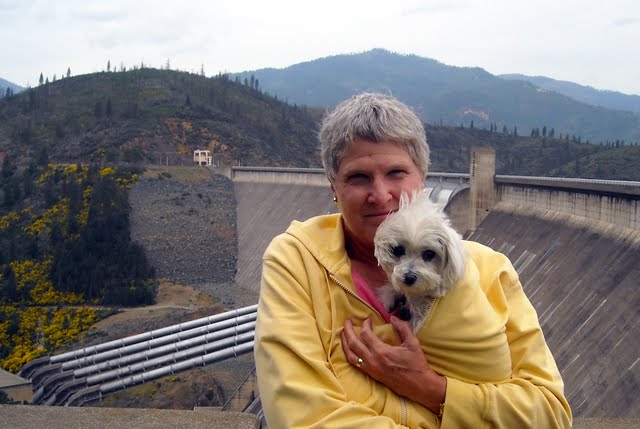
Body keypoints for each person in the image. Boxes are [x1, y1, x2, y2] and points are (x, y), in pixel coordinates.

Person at [254, 93, 572, 428]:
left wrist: (429, 387)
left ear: (422, 178)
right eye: (358, 177)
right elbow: (301, 417)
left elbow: (549, 414)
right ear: (334, 186)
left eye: (396, 173)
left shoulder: (489, 269)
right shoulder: (297, 262)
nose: (380, 195)